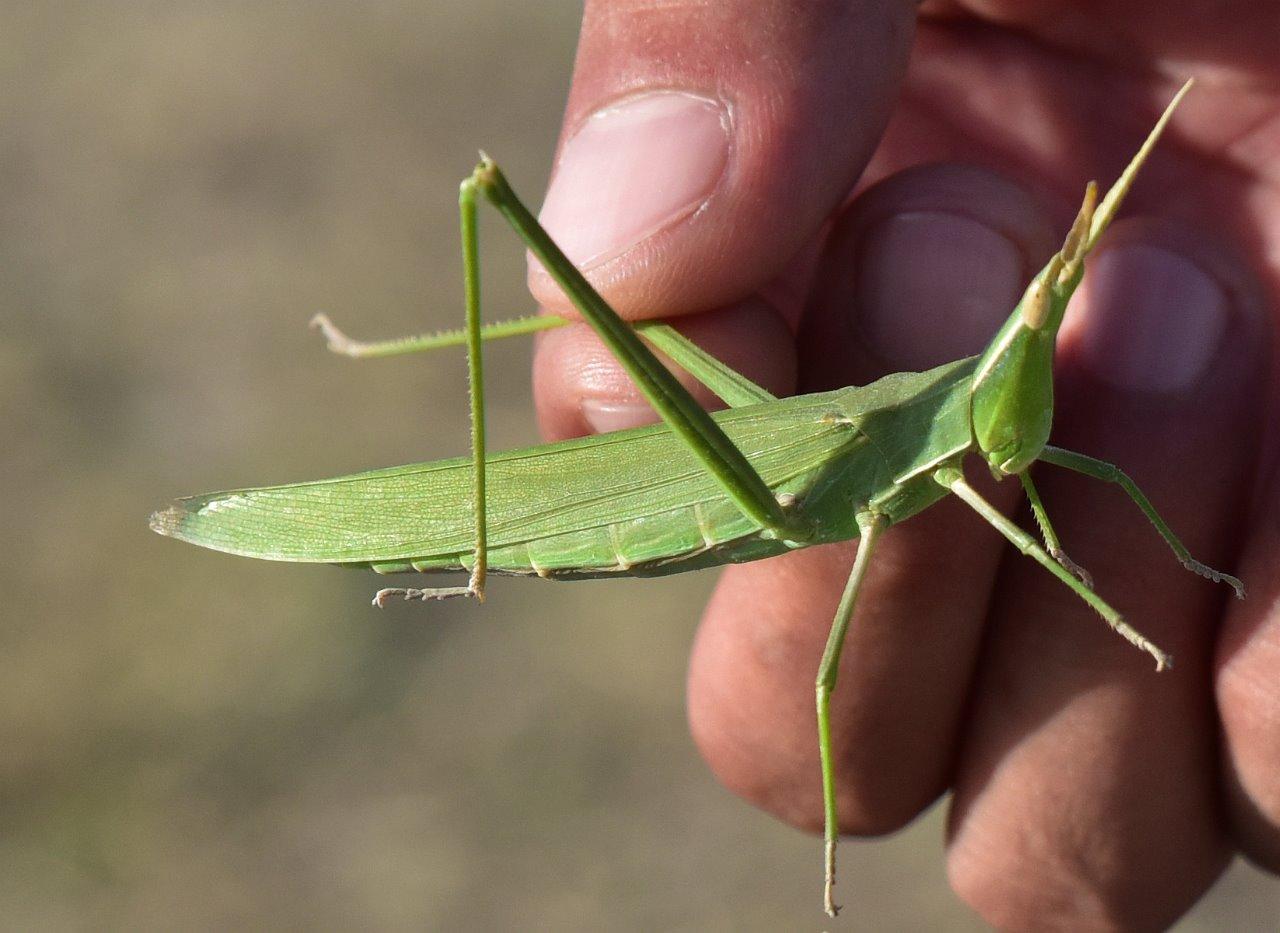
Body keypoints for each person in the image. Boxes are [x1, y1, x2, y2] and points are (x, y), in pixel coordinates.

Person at [525, 2, 1280, 928]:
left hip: (812, 474)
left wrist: (1193, 570)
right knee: (629, 328)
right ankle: (457, 486)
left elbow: (1049, 467)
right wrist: (1122, 622)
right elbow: (1004, 535)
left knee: (1115, 478)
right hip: (749, 490)